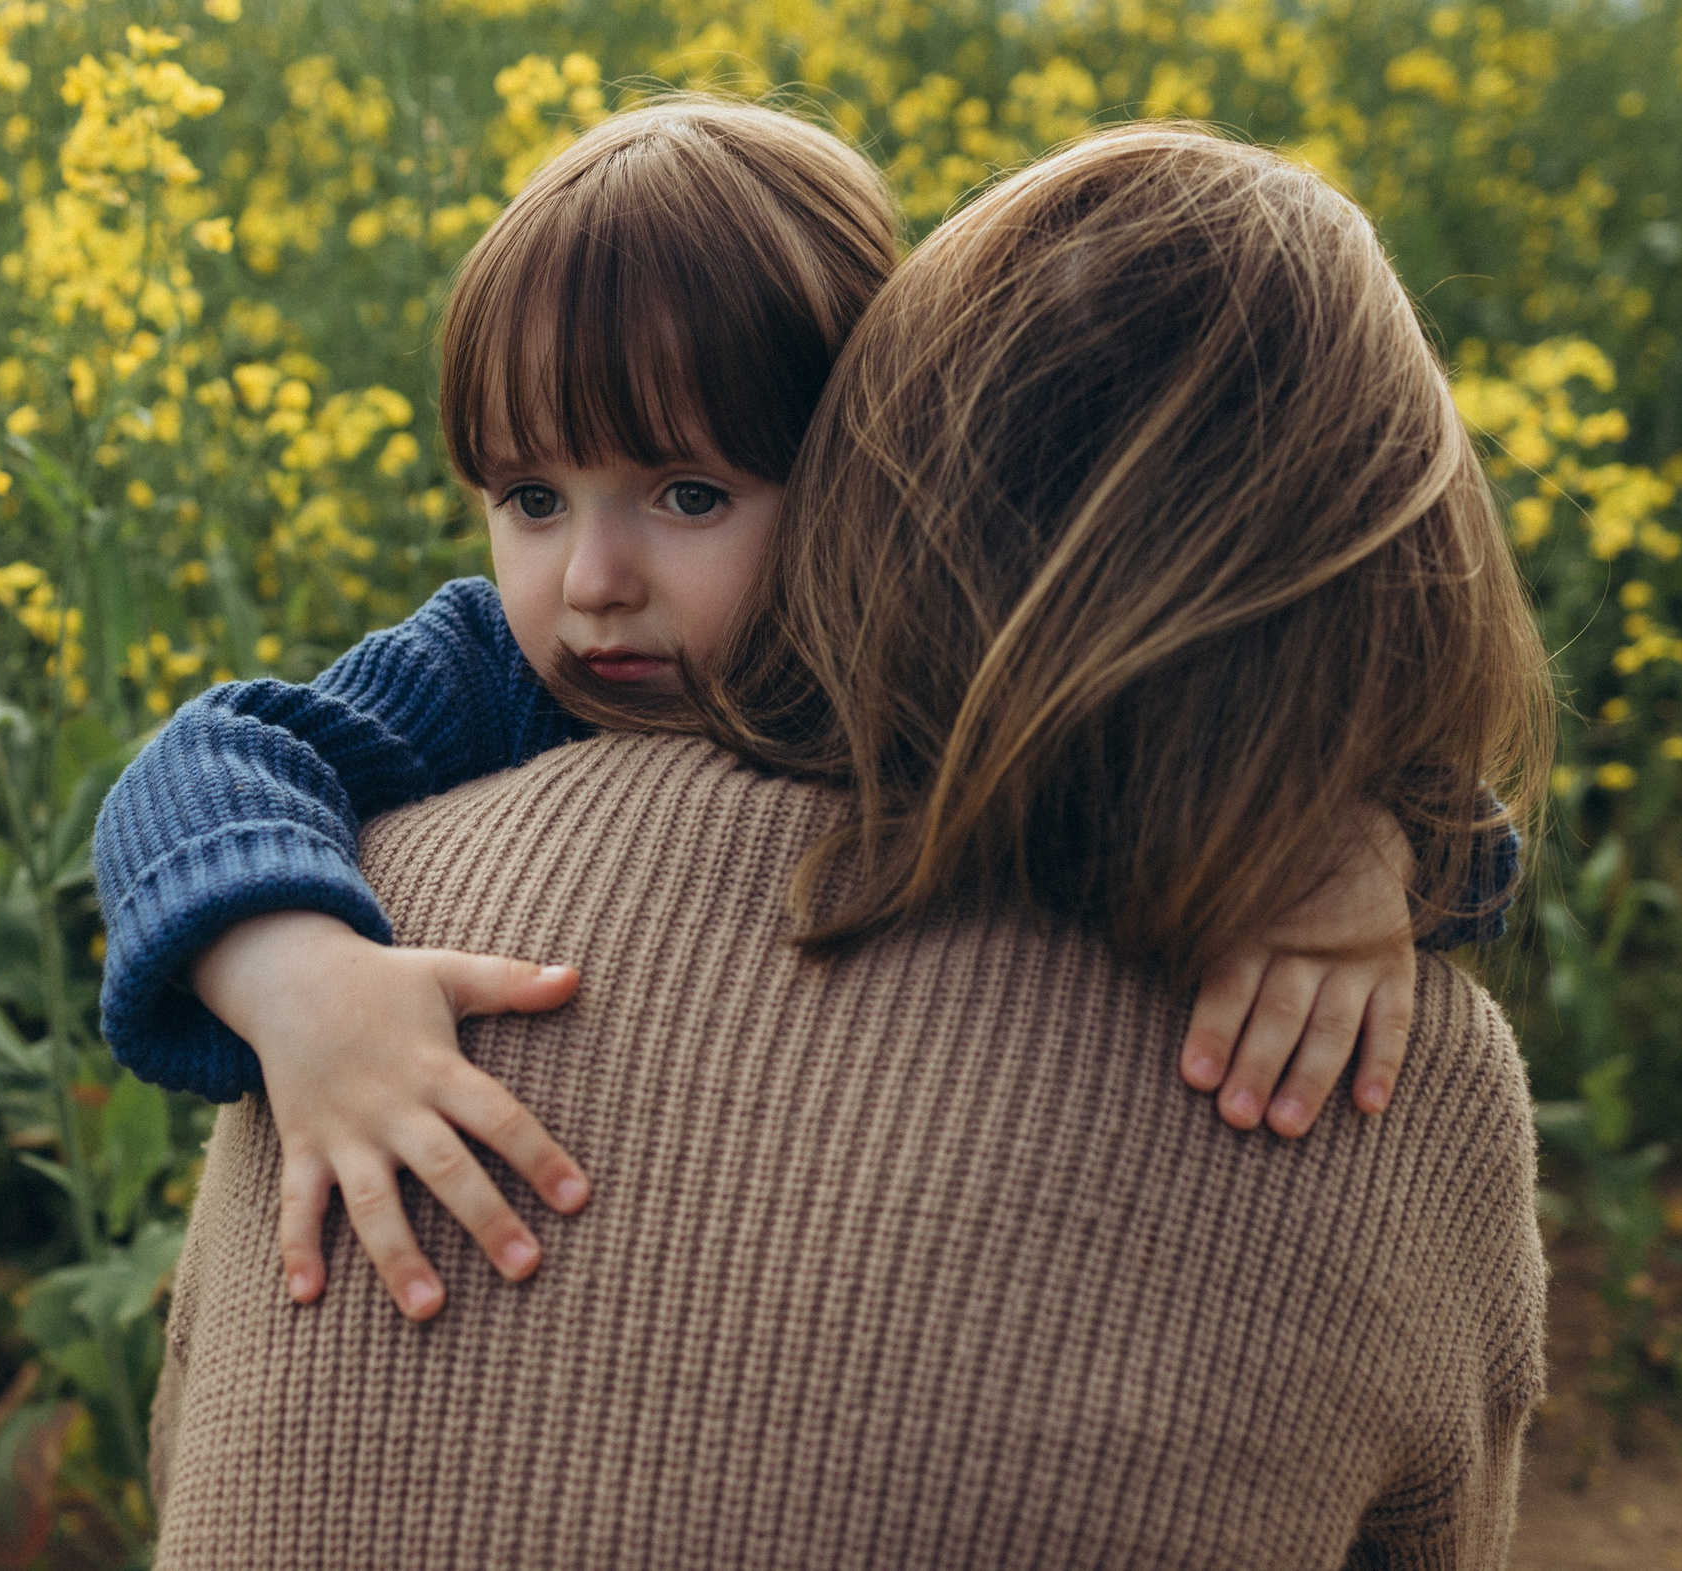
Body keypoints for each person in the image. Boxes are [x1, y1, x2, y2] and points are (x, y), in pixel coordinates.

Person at [148, 123, 1553, 1567]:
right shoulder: (472, 706)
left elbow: (1445, 833)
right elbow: (211, 763)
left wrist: (1344, 855)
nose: (592, 583)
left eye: (692, 496)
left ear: (858, 469)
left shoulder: (935, 731)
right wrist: (298, 973)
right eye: (528, 500)